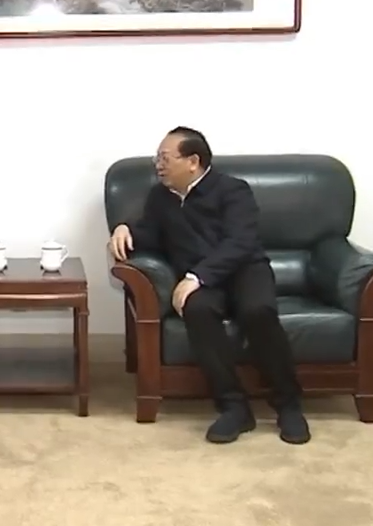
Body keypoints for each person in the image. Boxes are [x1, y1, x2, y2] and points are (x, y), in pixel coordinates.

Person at [107, 127, 308, 445]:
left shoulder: (233, 190)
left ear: (193, 161)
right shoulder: (161, 197)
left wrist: (196, 277)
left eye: (165, 158)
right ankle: (233, 406)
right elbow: (150, 235)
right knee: (197, 309)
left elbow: (240, 242)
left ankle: (288, 404)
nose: (158, 165)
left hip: (244, 270)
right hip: (199, 279)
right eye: (157, 158)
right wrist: (124, 229)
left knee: (258, 311)